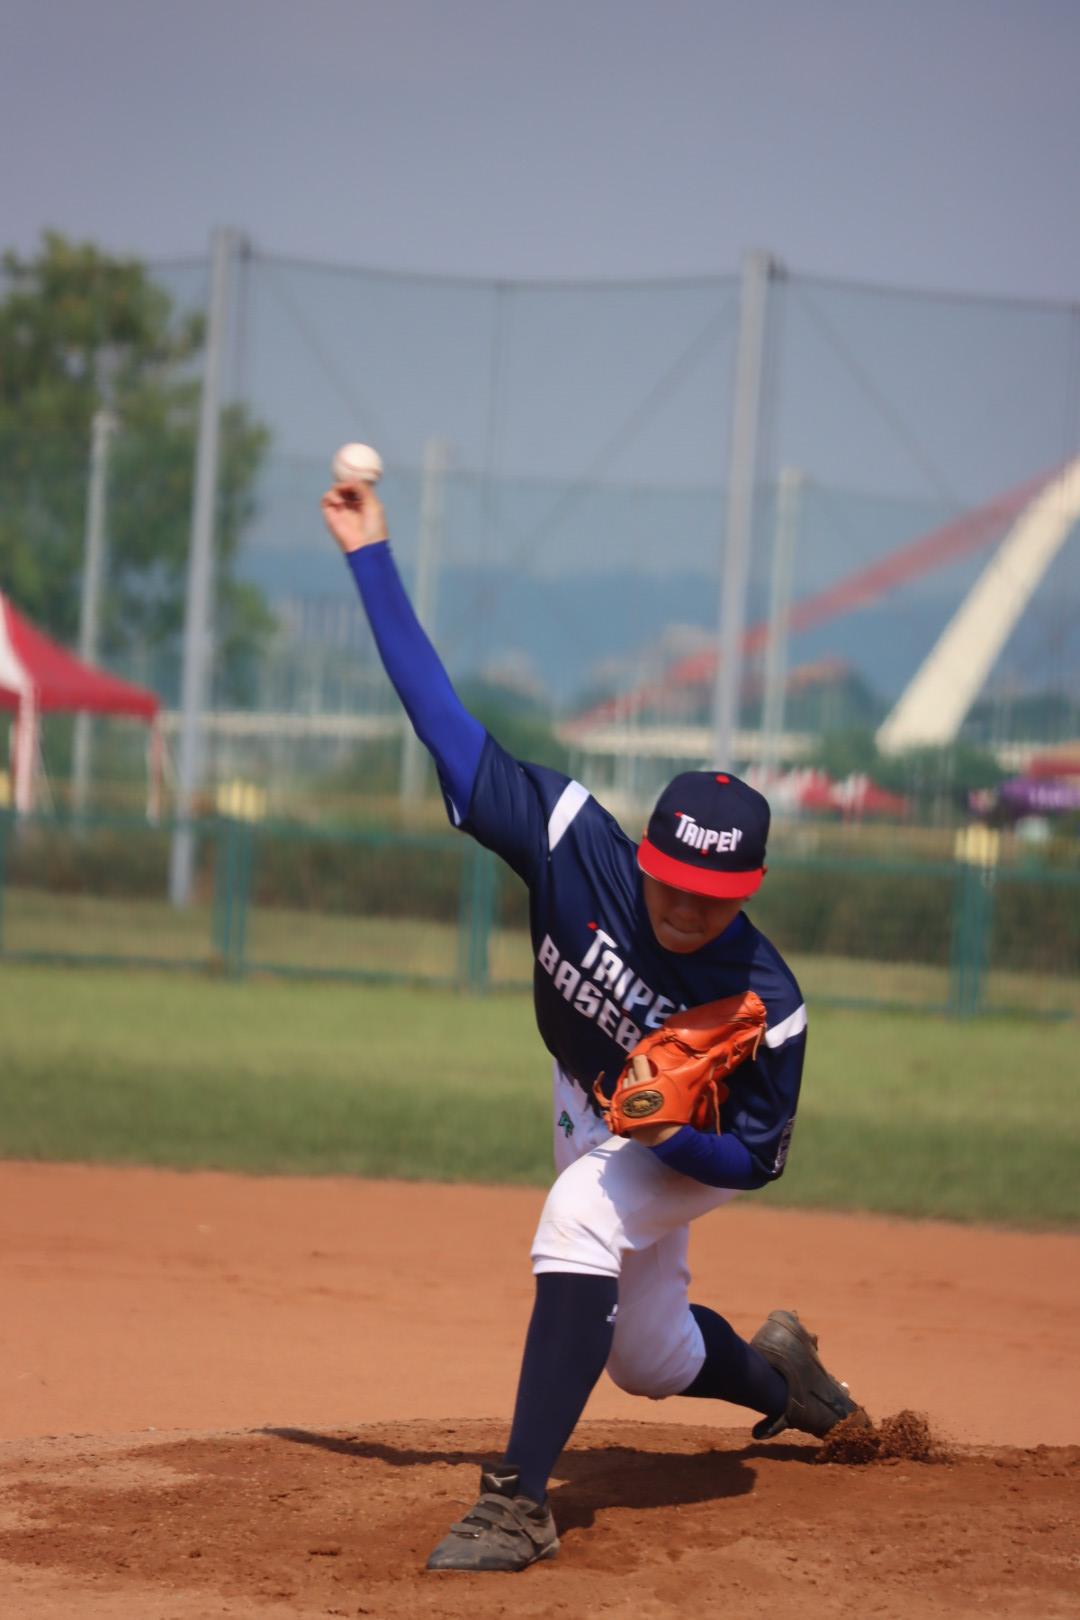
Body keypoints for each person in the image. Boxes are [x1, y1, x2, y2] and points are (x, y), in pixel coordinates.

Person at [321, 479, 860, 1574]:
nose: (686, 908)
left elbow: (758, 1159)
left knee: (577, 1218)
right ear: (643, 854)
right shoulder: (571, 843)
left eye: (714, 897)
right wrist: (369, 553)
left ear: (751, 888)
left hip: (690, 1146)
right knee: (649, 1357)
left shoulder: (769, 1003)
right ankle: (784, 1378)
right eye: (670, 882)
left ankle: (518, 1504)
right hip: (586, 1100)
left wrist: (672, 1136)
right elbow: (442, 719)